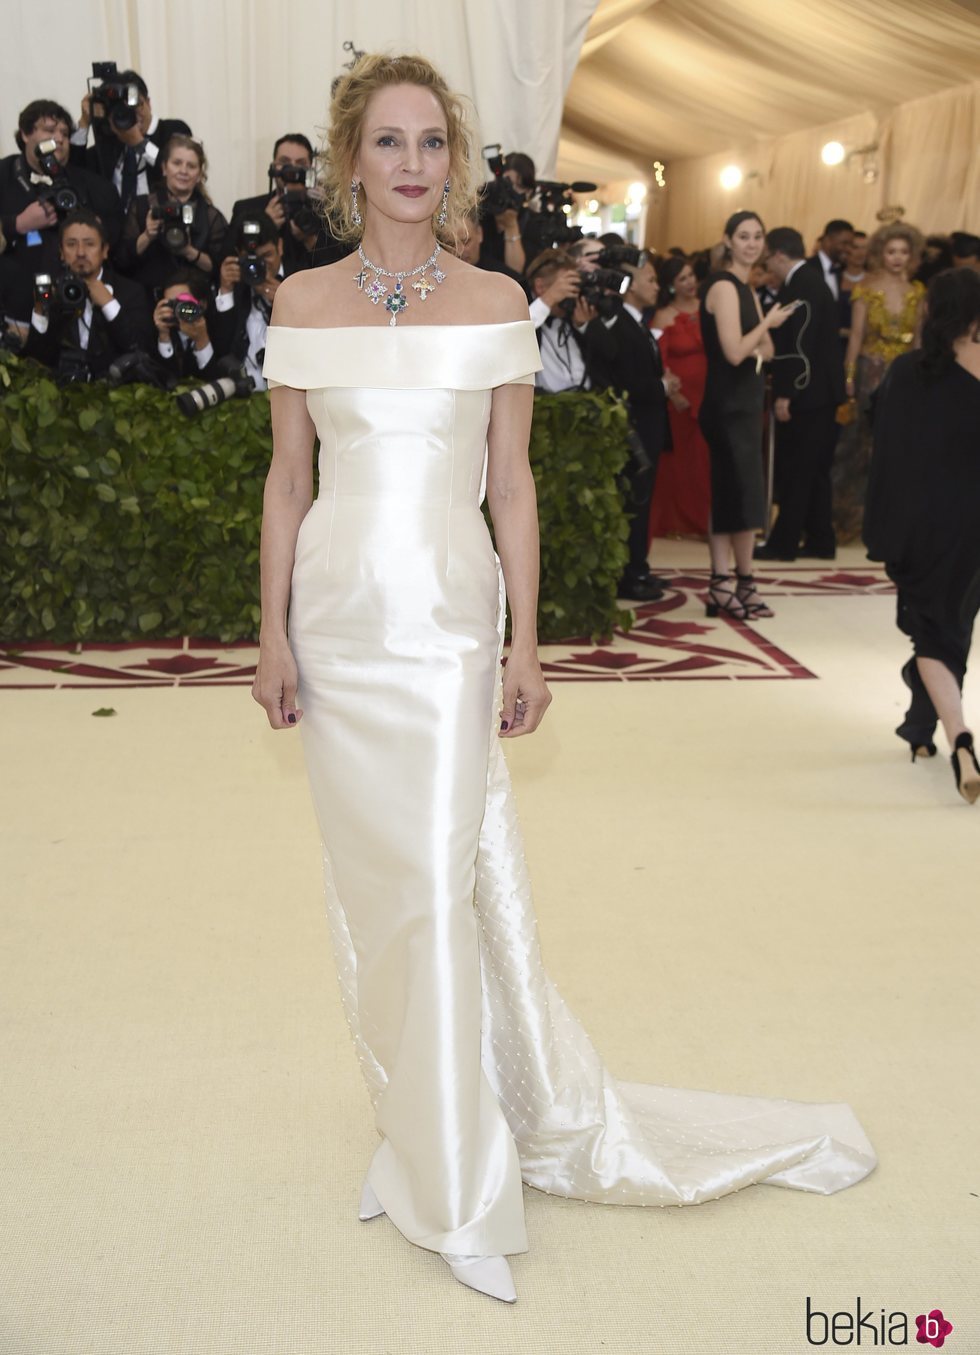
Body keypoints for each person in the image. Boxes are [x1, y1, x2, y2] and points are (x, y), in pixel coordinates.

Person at [251, 52, 875, 1307]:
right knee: (378, 894)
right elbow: (286, 479)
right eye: (389, 142)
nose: (413, 164)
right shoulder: (303, 300)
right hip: (335, 614)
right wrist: (268, 630)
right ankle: (409, 1123)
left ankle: (461, 1182)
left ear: (455, 159)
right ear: (347, 159)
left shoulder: (491, 300)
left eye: (432, 142)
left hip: (442, 619)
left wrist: (522, 638)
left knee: (434, 883)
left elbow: (511, 484)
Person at [863, 268, 980, 803]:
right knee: (953, 628)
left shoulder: (910, 372)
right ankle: (918, 728)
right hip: (974, 525)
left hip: (926, 524)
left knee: (933, 635)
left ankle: (959, 738)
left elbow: (884, 447)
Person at [698, 211, 795, 619]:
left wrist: (760, 335)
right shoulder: (722, 286)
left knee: (747, 499)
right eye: (744, 236)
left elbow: (768, 350)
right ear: (728, 240)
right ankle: (722, 582)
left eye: (758, 236)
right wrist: (767, 323)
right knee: (731, 497)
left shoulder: (745, 286)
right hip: (726, 406)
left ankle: (743, 580)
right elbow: (736, 351)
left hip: (745, 404)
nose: (752, 243)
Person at [587, 252, 676, 600]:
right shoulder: (621, 321)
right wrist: (663, 387)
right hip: (636, 422)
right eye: (651, 279)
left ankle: (639, 566)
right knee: (634, 500)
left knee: (642, 499)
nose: (657, 286)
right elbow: (630, 380)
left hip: (649, 422)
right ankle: (630, 573)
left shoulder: (635, 320)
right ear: (631, 283)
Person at [754, 226, 846, 562]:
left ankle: (784, 543)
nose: (768, 268)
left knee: (798, 470)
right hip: (822, 390)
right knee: (816, 470)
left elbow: (798, 345)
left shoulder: (801, 285)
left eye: (768, 260)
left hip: (808, 391)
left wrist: (786, 392)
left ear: (779, 255)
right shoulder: (809, 280)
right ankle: (822, 539)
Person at [837, 222, 925, 542]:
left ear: (912, 255)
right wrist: (848, 377)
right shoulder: (866, 288)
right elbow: (856, 337)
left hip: (903, 376)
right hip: (869, 374)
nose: (897, 258)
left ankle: (894, 522)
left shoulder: (918, 292)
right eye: (891, 251)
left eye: (903, 252)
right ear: (880, 254)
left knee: (900, 448)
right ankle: (852, 521)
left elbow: (917, 341)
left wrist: (919, 380)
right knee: (859, 447)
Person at [0, 98, 123, 322]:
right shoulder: (3, 175)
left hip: (74, 316)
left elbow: (115, 244)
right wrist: (17, 224)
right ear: (26, 134)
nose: (59, 139)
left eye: (65, 134)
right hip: (12, 311)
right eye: (49, 130)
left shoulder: (95, 187)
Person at [21, 207, 153, 380]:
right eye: (71, 244)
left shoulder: (131, 292)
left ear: (105, 250)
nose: (81, 252)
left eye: (89, 244)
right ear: (61, 252)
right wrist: (41, 312)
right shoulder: (50, 292)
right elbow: (34, 362)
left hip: (113, 394)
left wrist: (109, 304)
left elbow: (140, 351)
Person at [114, 135, 228, 300]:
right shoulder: (142, 206)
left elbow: (219, 268)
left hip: (195, 300)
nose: (183, 171)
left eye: (191, 166)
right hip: (147, 298)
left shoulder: (210, 216)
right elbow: (121, 260)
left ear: (199, 174)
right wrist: (148, 236)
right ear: (164, 168)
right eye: (177, 163)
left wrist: (189, 251)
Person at [648, 255, 711, 539]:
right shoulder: (664, 315)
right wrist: (673, 394)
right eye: (682, 279)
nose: (689, 283)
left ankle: (702, 520)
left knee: (705, 462)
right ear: (671, 285)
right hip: (680, 399)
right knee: (681, 465)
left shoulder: (706, 309)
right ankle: (678, 520)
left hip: (707, 395)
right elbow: (657, 359)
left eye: (691, 276)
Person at [70, 69, 192, 213]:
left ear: (148, 103)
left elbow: (179, 170)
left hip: (162, 223)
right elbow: (75, 173)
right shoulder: (109, 143)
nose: (131, 113)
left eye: (136, 105)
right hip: (117, 230)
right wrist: (84, 123)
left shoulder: (172, 130)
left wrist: (139, 143)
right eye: (122, 108)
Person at [228, 134, 333, 277]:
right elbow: (229, 261)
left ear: (311, 169)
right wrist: (264, 225)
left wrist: (310, 240)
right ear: (273, 167)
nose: (293, 170)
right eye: (285, 162)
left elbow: (336, 269)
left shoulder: (327, 210)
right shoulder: (246, 209)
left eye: (301, 163)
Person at [211, 215, 285, 389]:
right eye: (250, 259)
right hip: (241, 391)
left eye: (266, 256)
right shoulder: (235, 286)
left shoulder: (300, 281)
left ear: (280, 247)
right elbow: (221, 352)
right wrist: (226, 292)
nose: (258, 266)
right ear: (238, 254)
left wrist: (285, 305)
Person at [151, 270, 219, 380]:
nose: (177, 310)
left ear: (202, 304)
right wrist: (164, 337)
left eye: (182, 303)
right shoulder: (158, 332)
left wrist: (201, 340)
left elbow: (214, 379)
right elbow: (163, 381)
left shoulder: (218, 329)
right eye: (172, 304)